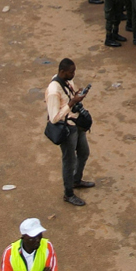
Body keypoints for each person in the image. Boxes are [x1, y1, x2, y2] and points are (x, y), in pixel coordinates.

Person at [45, 58, 93, 206]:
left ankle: (76, 180)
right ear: (62, 72)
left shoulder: (67, 81)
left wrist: (76, 95)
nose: (74, 74)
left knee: (84, 152)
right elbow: (54, 118)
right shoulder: (53, 91)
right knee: (69, 161)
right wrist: (72, 102)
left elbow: (68, 98)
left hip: (75, 123)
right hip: (66, 129)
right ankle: (68, 194)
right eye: (71, 72)